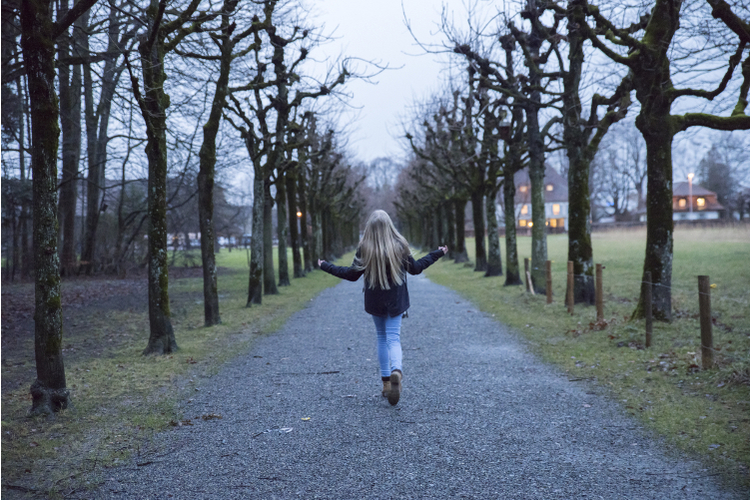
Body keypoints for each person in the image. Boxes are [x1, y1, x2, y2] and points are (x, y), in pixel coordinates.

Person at [318, 210, 447, 406]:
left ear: (369, 229)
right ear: (389, 226)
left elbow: (352, 275)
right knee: (394, 338)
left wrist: (326, 265)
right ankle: (397, 371)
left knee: (381, 338)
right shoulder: (400, 246)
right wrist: (438, 253)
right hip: (396, 300)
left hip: (374, 301)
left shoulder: (364, 248)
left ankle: (387, 383)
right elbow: (416, 268)